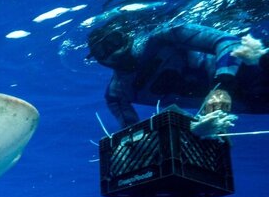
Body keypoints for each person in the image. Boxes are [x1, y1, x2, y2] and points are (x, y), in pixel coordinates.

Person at [87, 20, 269, 128]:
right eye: (103, 50)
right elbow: (131, 132)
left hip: (253, 73)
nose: (113, 51)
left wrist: (223, 85)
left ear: (127, 36)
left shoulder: (165, 36)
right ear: (98, 59)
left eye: (113, 40)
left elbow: (228, 42)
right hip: (249, 105)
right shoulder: (116, 94)